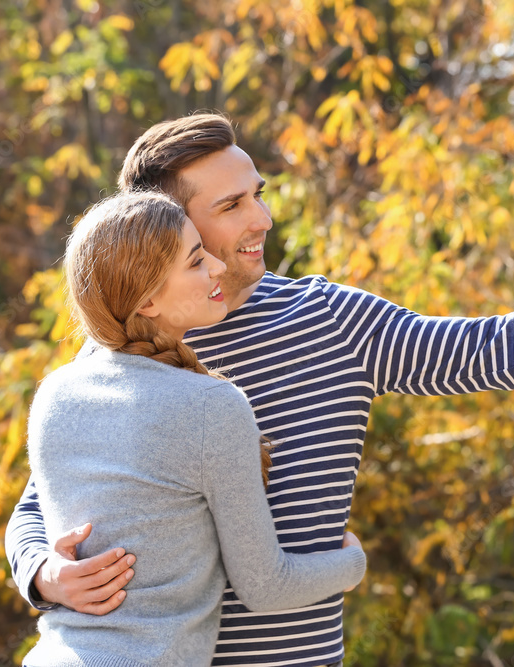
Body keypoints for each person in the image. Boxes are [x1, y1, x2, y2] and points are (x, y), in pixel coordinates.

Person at [7, 113, 514, 667]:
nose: (262, 219)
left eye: (258, 194)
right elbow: (37, 507)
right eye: (231, 206)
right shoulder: (115, 352)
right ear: (162, 229)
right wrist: (42, 573)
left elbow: (490, 351)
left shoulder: (328, 320)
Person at [19, 190, 366, 665]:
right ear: (147, 300)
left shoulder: (54, 395)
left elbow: (33, 514)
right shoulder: (211, 406)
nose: (218, 269)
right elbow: (265, 586)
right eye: (196, 260)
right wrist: (351, 564)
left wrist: (40, 572)